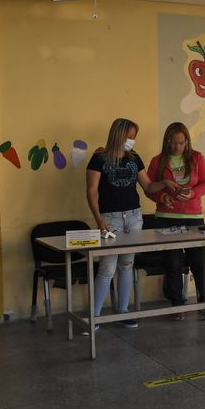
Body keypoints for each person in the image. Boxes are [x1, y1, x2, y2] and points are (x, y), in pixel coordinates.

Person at [85, 118, 165, 332]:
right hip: (110, 218)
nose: (132, 141)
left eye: (134, 137)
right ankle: (94, 317)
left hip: (134, 217)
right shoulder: (99, 158)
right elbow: (91, 192)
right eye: (129, 137)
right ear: (118, 135)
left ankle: (123, 311)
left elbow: (148, 186)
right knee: (107, 267)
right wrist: (99, 219)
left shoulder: (134, 158)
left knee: (127, 264)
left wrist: (166, 184)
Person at [145, 122, 205, 319]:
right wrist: (163, 197)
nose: (177, 147)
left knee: (199, 261)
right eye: (173, 143)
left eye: (181, 143)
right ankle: (177, 304)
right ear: (166, 142)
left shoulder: (197, 158)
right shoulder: (157, 161)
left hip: (193, 217)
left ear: (187, 142)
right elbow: (149, 188)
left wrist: (192, 193)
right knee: (173, 262)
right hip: (166, 218)